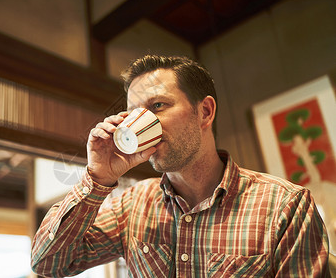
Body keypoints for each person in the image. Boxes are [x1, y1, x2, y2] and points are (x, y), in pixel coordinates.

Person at [31, 55, 329, 277]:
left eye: (158, 106)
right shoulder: (133, 205)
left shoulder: (284, 205)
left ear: (205, 112)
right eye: (132, 114)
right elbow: (48, 262)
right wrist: (98, 177)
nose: (138, 124)